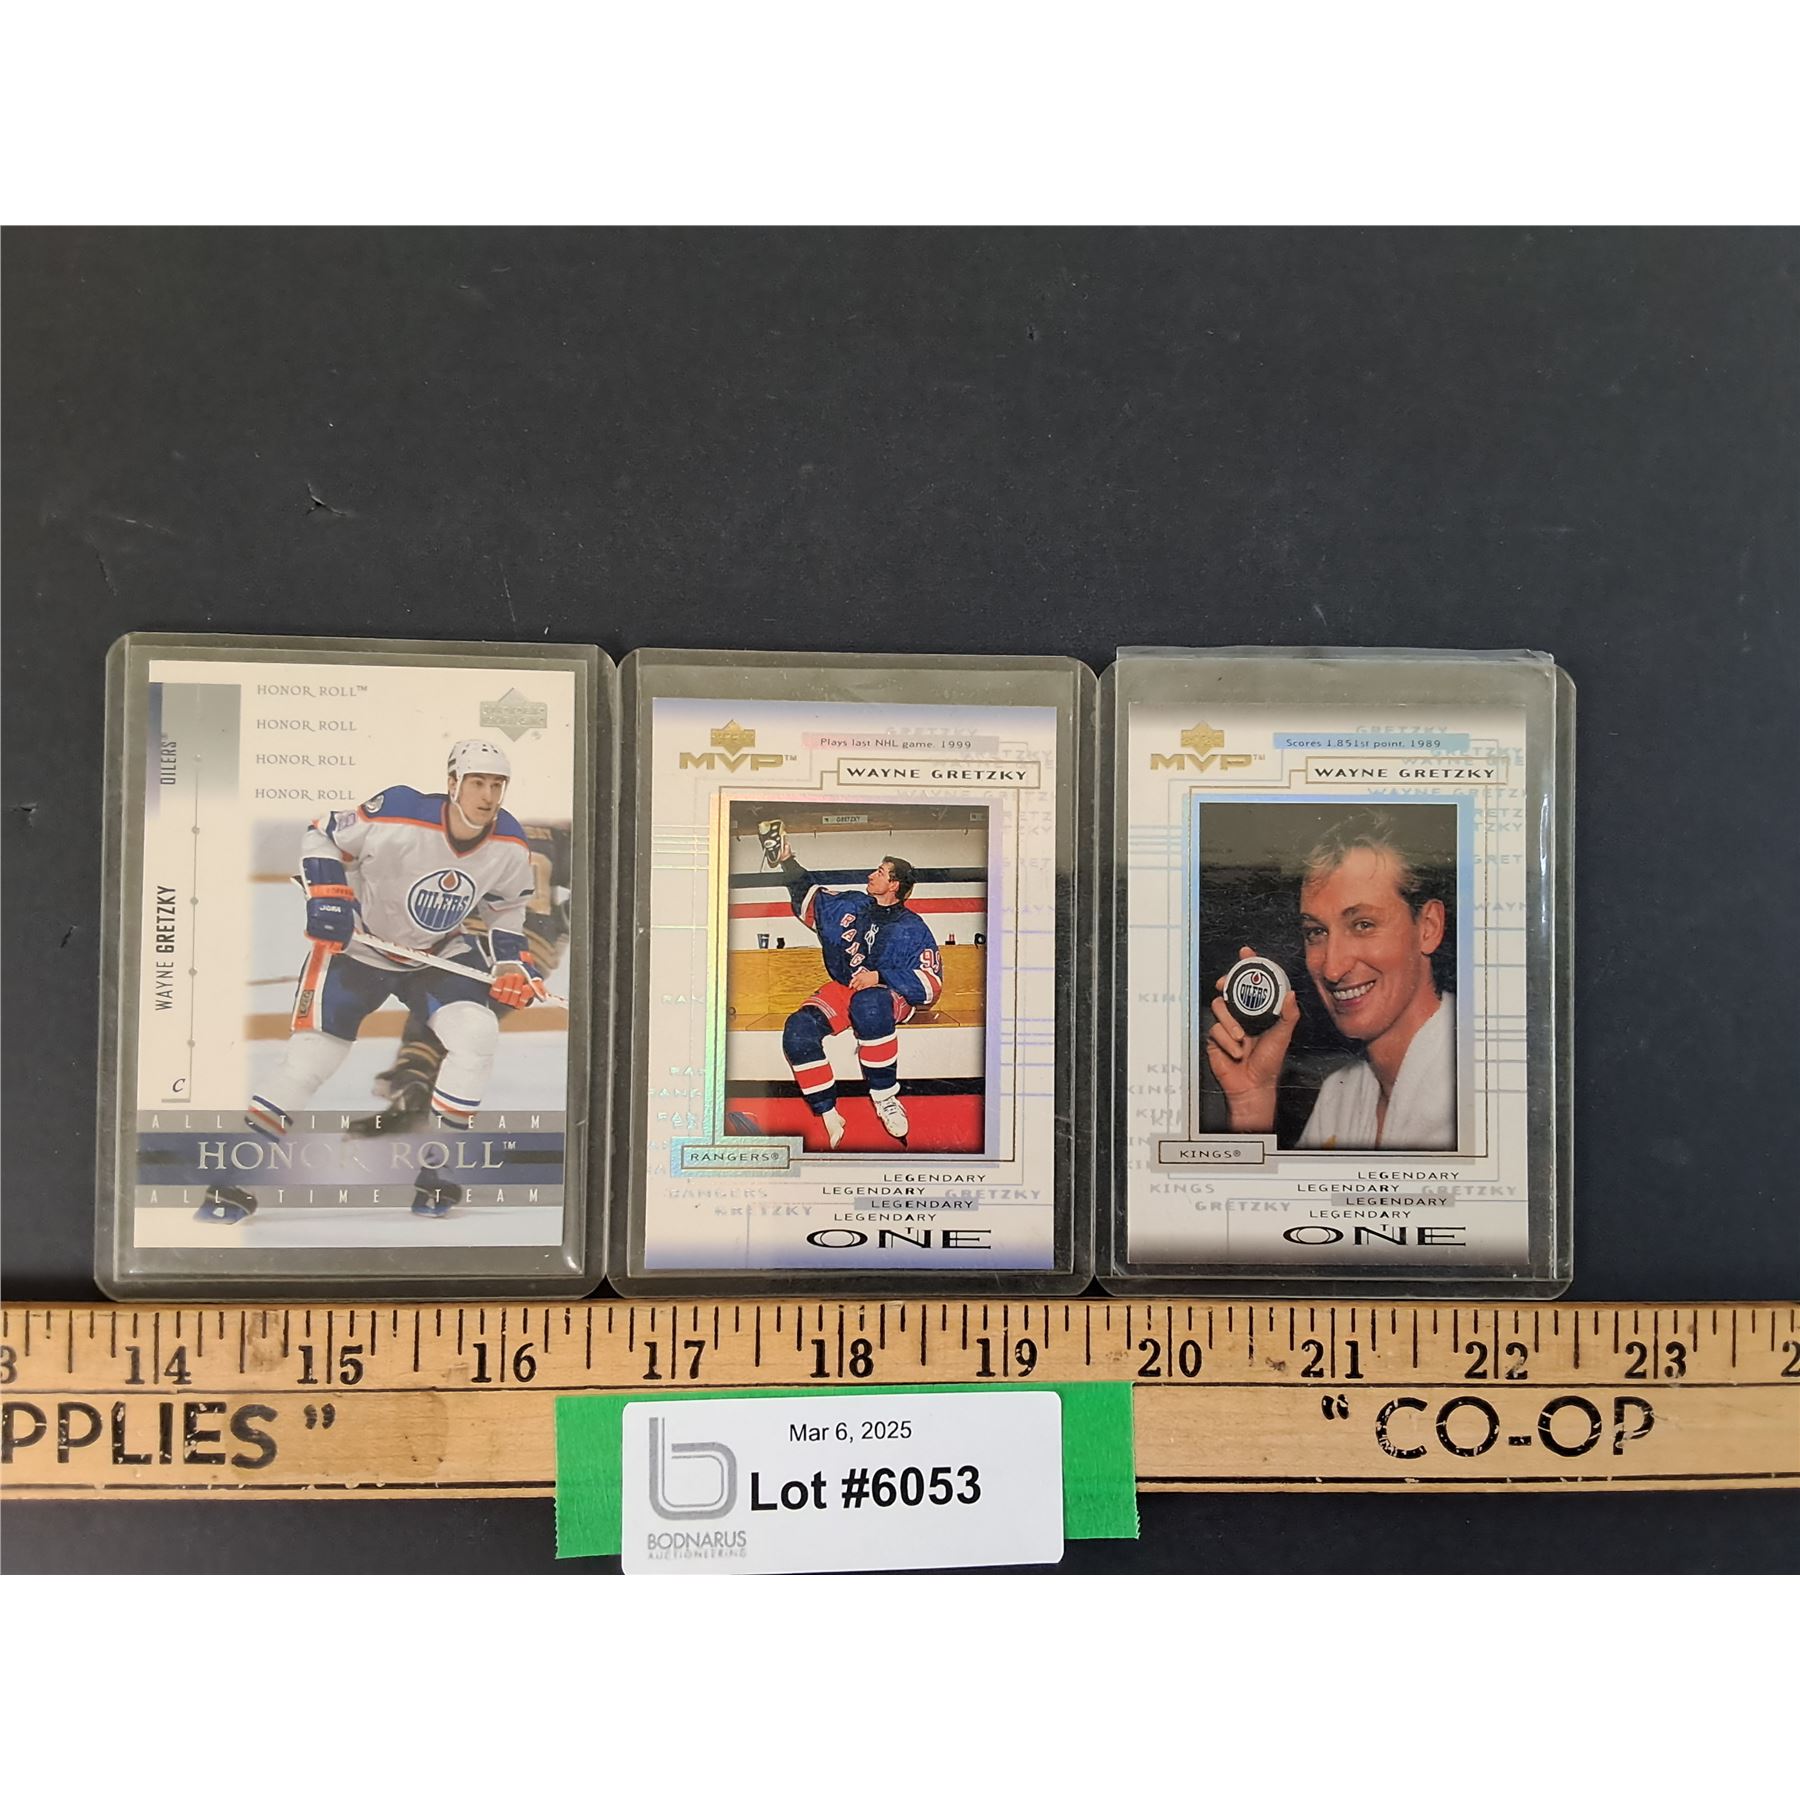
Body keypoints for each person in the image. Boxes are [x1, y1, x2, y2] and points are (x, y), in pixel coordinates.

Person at [199, 739, 550, 1222]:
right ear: (453, 783)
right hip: (359, 948)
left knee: (477, 1032)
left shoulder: (509, 842)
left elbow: (507, 908)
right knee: (311, 1059)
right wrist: (328, 895)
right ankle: (229, 1184)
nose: (487, 796)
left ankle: (438, 1172)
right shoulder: (400, 810)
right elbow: (322, 832)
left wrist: (511, 964)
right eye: (477, 783)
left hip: (434, 954)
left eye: (496, 784)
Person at [1207, 810, 1455, 1151]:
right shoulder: (1339, 1097)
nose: (1332, 969)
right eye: (1316, 932)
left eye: (1363, 925)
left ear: (1428, 927)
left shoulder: (1477, 1084)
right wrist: (1251, 1105)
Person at [762, 820, 943, 1149]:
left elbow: (931, 984)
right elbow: (812, 895)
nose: (872, 874)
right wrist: (787, 859)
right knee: (798, 1030)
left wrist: (880, 976)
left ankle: (885, 1098)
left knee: (868, 1003)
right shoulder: (854, 905)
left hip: (888, 995)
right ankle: (828, 1112)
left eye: (880, 872)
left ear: (894, 885)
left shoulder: (912, 926)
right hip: (845, 988)